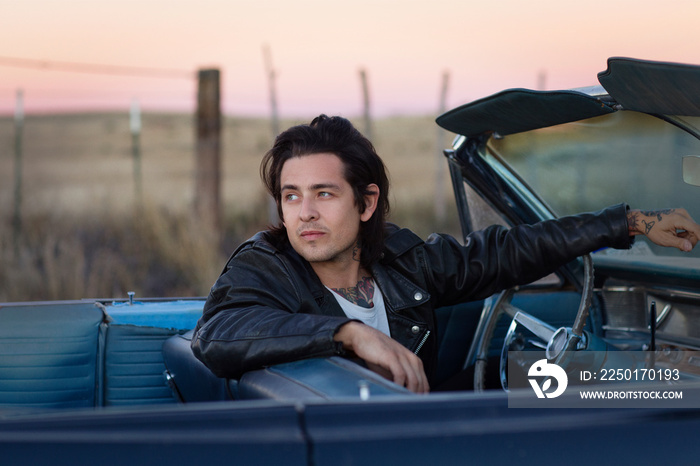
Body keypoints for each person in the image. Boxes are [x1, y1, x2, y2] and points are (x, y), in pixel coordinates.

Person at [191, 115, 700, 394]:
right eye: (291, 195)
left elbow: (506, 252)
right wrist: (347, 333)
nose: (303, 214)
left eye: (324, 194)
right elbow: (217, 333)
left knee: (568, 379)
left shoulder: (402, 260)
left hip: (418, 422)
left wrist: (630, 222)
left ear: (367, 203)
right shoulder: (265, 263)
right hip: (355, 443)